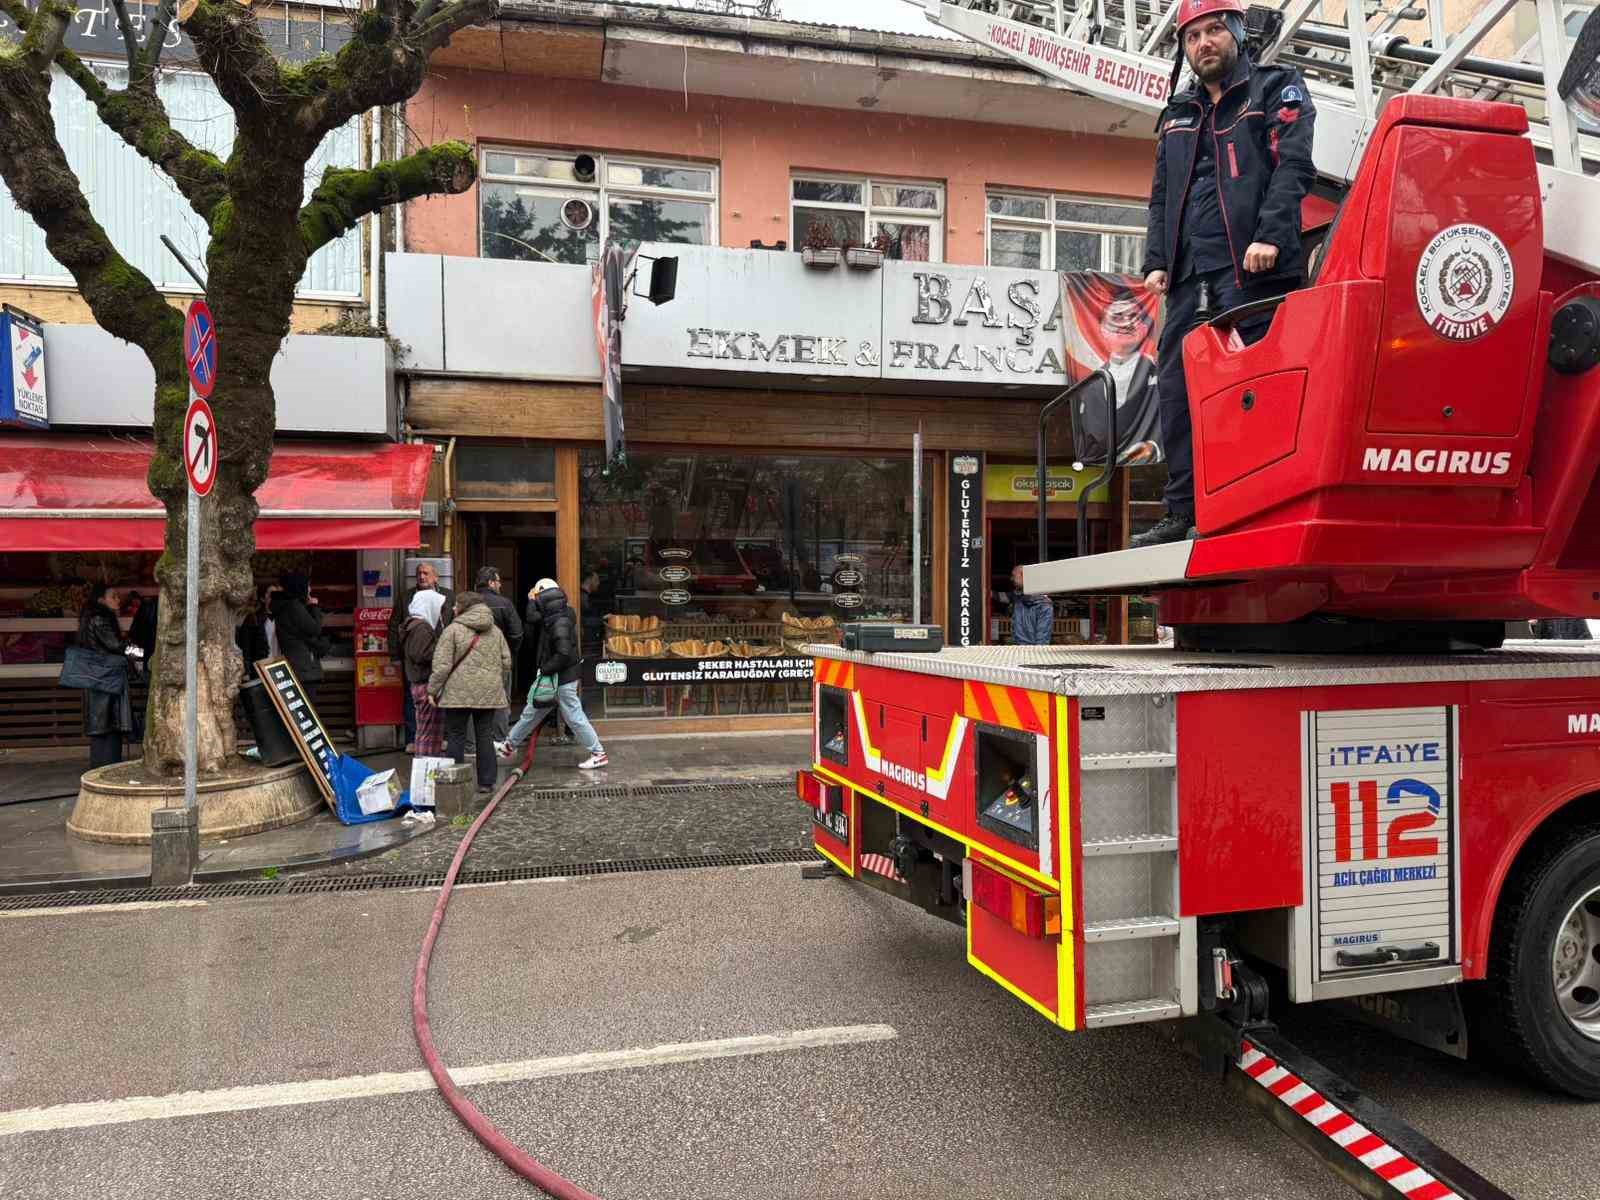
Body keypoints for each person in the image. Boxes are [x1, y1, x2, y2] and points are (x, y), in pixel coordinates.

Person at [1131, 0, 1316, 547]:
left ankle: (1265, 499)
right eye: (1192, 36)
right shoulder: (1177, 114)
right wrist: (1157, 261)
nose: (1203, 43)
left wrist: (1270, 237)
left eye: (1214, 30)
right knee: (1176, 389)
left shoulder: (1275, 88)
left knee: (1260, 386)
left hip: (1253, 268)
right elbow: (1161, 195)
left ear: (1236, 32)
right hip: (1191, 275)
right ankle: (1181, 508)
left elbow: (1294, 167)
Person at [501, 578, 608, 771]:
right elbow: (535, 619)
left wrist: (545, 669)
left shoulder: (559, 621)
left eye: (539, 598)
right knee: (533, 709)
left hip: (562, 676)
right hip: (557, 674)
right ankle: (509, 745)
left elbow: (563, 653)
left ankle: (598, 753)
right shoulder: (560, 615)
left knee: (573, 716)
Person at [429, 590, 511, 795]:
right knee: (485, 734)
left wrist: (433, 689)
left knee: (456, 735)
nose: (454, 608)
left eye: (456, 605)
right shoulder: (495, 631)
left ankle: (456, 783)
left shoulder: (453, 630)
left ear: (465, 607)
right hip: (488, 691)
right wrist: (493, 680)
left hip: (458, 692)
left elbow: (442, 666)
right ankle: (486, 782)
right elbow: (507, 662)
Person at [390, 561, 453, 753]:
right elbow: (394, 625)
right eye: (419, 573)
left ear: (436, 577)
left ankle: (440, 739)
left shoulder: (448, 596)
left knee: (442, 699)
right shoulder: (407, 598)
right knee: (413, 698)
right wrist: (394, 654)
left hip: (441, 657)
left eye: (426, 573)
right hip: (418, 659)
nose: (421, 576)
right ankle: (413, 739)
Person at [77, 584, 133, 769]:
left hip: (99, 678)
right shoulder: (100, 619)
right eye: (113, 596)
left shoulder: (91, 618)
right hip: (106, 679)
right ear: (101, 599)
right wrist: (140, 651)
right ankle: (108, 769)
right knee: (108, 727)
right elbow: (116, 645)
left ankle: (101, 770)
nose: (118, 599)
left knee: (102, 729)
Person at [473, 565, 523, 745]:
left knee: (475, 699)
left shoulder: (468, 603)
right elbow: (517, 633)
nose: (500, 585)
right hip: (499, 661)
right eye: (498, 581)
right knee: (501, 700)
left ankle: (476, 742)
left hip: (472, 661)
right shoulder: (504, 603)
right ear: (491, 583)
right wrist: (510, 651)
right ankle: (500, 739)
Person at [271, 572, 331, 708]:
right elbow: (314, 629)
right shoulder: (293, 607)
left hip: (296, 667)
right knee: (307, 710)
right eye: (308, 585)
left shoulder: (284, 606)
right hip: (303, 669)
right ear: (299, 587)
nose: (310, 589)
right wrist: (314, 606)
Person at [402, 589, 447, 756]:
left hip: (418, 681)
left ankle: (426, 768)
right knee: (428, 734)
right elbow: (420, 654)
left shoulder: (413, 625)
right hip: (425, 682)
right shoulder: (421, 628)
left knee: (426, 732)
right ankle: (425, 769)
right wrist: (441, 649)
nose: (440, 612)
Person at [1009, 566, 1054, 646]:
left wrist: (1037, 655)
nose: (1011, 579)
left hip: (1032, 653)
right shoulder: (1018, 599)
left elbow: (1042, 638)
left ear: (1023, 576)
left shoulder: (1044, 605)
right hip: (1017, 650)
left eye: (1014, 575)